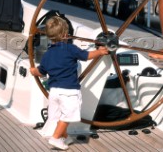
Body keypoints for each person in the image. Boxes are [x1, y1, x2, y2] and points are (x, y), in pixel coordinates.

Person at [30, 16, 108, 150]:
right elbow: (86, 56)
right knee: (68, 116)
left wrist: (33, 71)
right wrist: (100, 51)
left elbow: (41, 71)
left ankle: (64, 137)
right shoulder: (70, 49)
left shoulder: (47, 54)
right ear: (66, 35)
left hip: (54, 93)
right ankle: (55, 138)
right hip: (69, 91)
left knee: (57, 117)